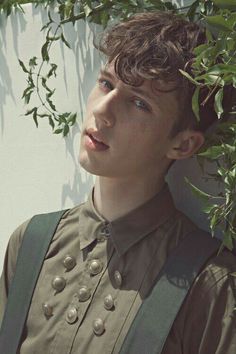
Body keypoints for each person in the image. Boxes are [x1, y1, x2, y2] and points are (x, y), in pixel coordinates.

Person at [0, 11, 236, 354]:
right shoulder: (31, 242)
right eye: (106, 83)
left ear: (183, 144)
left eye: (140, 103)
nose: (102, 111)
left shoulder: (211, 284)